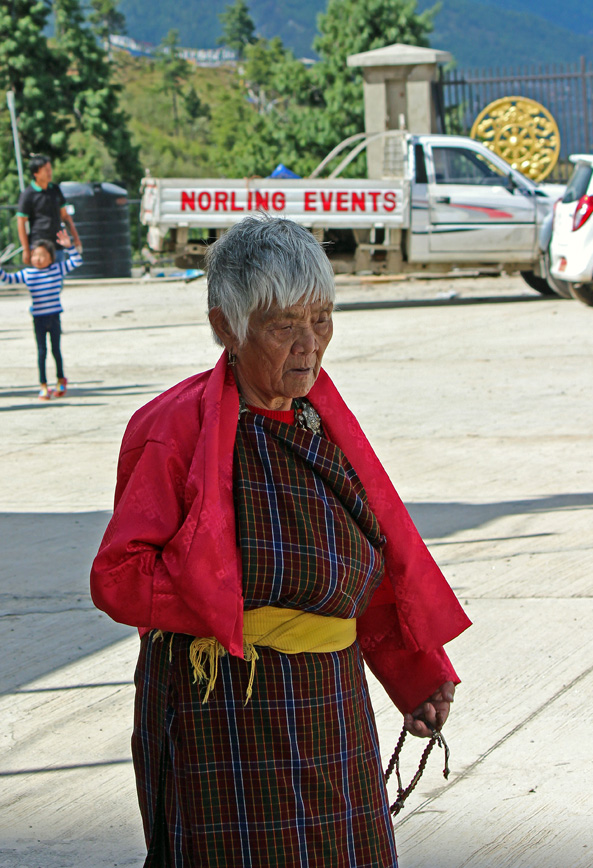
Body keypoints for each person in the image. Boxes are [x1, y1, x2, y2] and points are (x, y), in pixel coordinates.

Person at [90, 216, 471, 867]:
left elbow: (364, 559)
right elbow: (120, 575)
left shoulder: (324, 423)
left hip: (327, 702)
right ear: (225, 327)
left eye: (321, 318)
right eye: (282, 324)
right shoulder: (172, 427)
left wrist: (415, 670)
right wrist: (220, 603)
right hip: (221, 713)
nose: (309, 344)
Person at [0, 229, 82, 400]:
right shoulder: (28, 274)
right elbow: (8, 279)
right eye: (34, 255)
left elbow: (76, 261)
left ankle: (60, 380)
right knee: (41, 352)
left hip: (54, 317)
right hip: (38, 318)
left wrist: (69, 247)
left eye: (42, 255)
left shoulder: (57, 269)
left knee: (56, 350)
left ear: (51, 258)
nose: (37, 258)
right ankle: (43, 385)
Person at [16, 154, 81, 265]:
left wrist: (76, 238)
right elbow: (21, 222)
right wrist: (26, 249)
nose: (49, 173)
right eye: (46, 170)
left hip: (57, 245)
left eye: (50, 169)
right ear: (36, 173)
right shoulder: (28, 194)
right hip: (39, 247)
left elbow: (65, 216)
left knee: (57, 280)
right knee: (41, 280)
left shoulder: (55, 190)